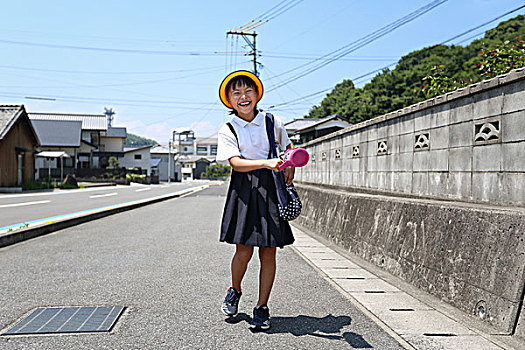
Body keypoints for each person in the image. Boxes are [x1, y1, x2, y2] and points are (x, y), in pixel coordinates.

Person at [216, 70, 295, 331]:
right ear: (229, 99)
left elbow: (288, 147)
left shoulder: (273, 122)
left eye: (248, 91)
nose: (243, 96)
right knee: (243, 250)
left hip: (271, 187)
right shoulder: (228, 128)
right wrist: (265, 162)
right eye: (236, 92)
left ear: (257, 94)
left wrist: (291, 161)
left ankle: (261, 307)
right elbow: (236, 164)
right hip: (245, 188)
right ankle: (234, 289)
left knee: (269, 251)